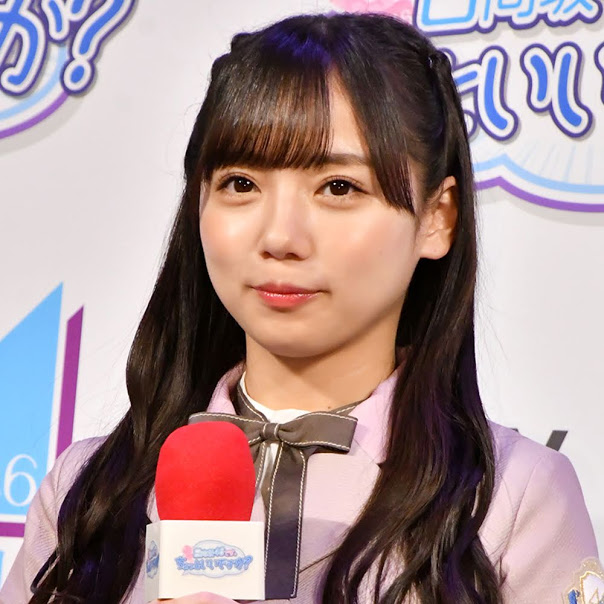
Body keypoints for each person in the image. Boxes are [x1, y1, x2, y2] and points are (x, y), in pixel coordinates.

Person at [0, 11, 600, 604]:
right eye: (241, 184)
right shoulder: (88, 492)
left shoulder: (513, 498)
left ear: (437, 218)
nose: (280, 236)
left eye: (338, 188)